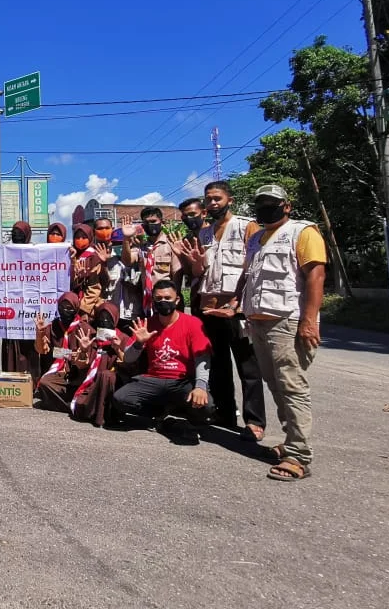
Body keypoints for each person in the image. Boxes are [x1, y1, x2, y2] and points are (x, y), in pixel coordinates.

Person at [236, 184, 326, 482]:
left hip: (287, 322)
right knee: (275, 384)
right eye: (261, 202)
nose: (265, 207)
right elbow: (250, 280)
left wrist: (309, 320)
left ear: (286, 205)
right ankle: (290, 443)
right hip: (258, 323)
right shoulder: (257, 240)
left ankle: (299, 456)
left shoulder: (303, 232)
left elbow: (316, 274)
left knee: (292, 386)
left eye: (272, 203)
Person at [183, 181, 268, 442]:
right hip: (210, 308)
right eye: (208, 199)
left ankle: (254, 421)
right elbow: (200, 273)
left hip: (237, 309)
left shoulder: (247, 227)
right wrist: (195, 264)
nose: (212, 203)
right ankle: (225, 412)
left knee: (247, 366)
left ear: (229, 200)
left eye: (217, 198)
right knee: (218, 364)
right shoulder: (204, 234)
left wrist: (239, 305)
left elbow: (256, 269)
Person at [111, 280, 214, 427]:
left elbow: (202, 357)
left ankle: (178, 412)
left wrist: (200, 386)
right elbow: (128, 358)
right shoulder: (147, 324)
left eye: (167, 298)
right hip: (154, 379)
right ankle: (159, 412)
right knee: (120, 399)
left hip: (182, 381)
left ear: (177, 300)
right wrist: (139, 343)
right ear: (153, 301)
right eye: (158, 299)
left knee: (206, 406)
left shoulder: (192, 323)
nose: (163, 302)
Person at [70, 302, 129, 426]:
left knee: (106, 375)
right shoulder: (91, 337)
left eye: (108, 318)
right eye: (101, 318)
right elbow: (81, 365)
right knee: (79, 405)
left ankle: (105, 415)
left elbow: (129, 366)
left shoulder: (123, 338)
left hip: (114, 383)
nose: (105, 321)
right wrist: (84, 350)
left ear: (115, 318)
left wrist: (118, 349)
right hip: (91, 381)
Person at [33, 292, 90, 412]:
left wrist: (81, 353)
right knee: (44, 383)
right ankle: (69, 407)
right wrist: (40, 334)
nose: (65, 311)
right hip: (60, 372)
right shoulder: (53, 326)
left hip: (78, 372)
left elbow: (86, 361)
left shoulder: (84, 328)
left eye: (69, 308)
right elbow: (42, 350)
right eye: (62, 307)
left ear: (76, 308)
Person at [122, 206, 182, 316]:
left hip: (166, 300)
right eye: (146, 222)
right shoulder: (141, 246)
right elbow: (127, 261)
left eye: (153, 221)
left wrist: (174, 300)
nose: (150, 225)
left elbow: (177, 275)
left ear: (162, 222)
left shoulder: (171, 244)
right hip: (147, 301)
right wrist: (126, 239)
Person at [1, 221, 40, 378]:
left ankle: (31, 380)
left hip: (29, 305)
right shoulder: (4, 252)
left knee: (28, 344)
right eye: (14, 231)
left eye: (21, 232)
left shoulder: (35, 251)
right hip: (10, 304)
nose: (17, 235)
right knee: (11, 342)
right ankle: (10, 376)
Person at [70, 222, 111, 315]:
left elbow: (95, 288)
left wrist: (83, 309)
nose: (80, 240)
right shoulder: (72, 255)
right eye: (77, 237)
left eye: (84, 237)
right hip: (71, 306)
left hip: (88, 309)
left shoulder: (95, 256)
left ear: (90, 237)